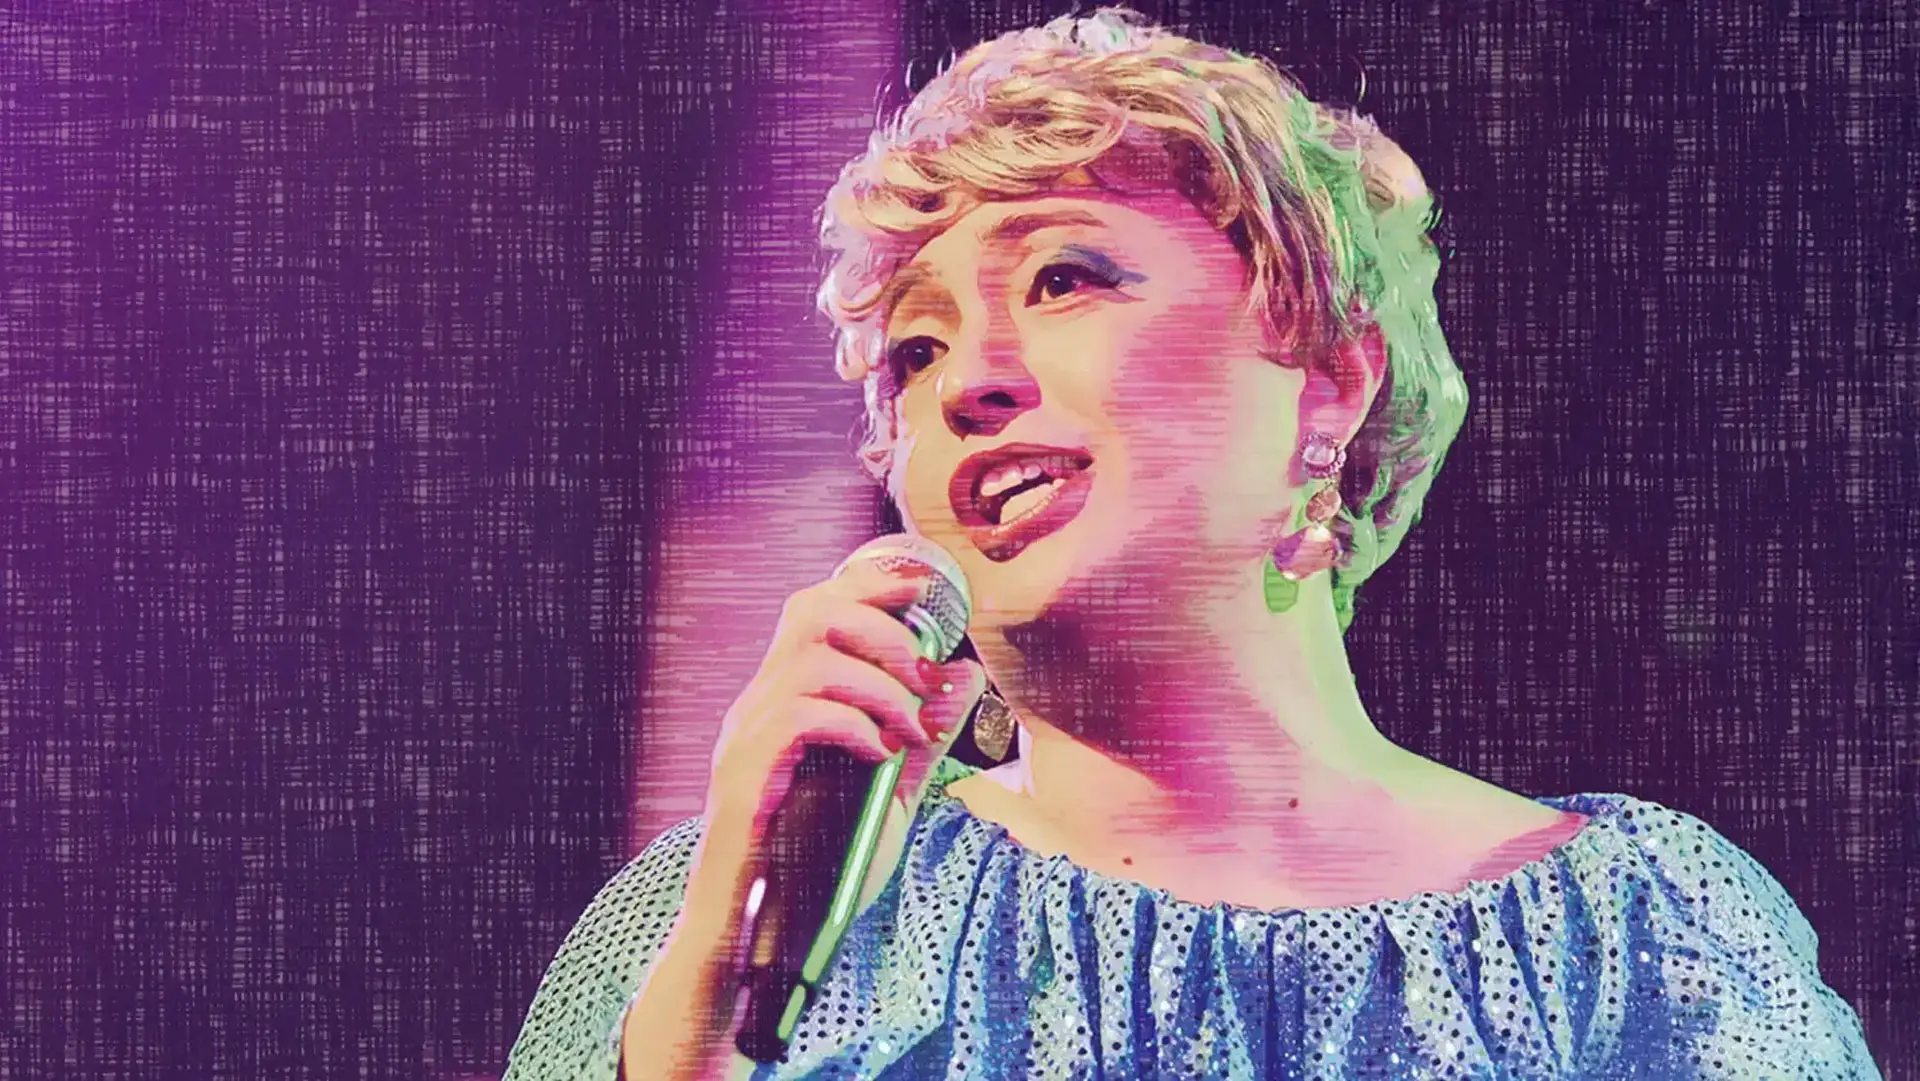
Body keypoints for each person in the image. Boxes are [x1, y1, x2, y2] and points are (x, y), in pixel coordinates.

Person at [502, 8, 1879, 1079]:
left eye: (1064, 277)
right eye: (914, 351)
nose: (964, 381)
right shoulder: (719, 926)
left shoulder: (1645, 934)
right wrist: (701, 1030)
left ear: (1327, 381)